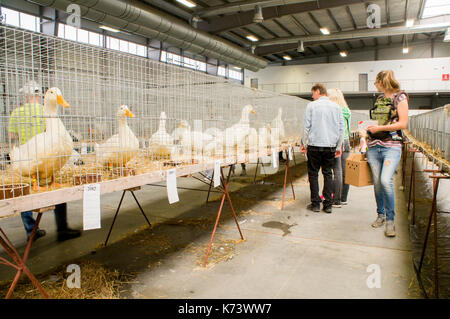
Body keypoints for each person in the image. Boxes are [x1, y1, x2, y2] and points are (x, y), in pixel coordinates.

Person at [8, 81, 81, 242]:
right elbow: (52, 132)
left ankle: (31, 231)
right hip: (48, 152)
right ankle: (62, 227)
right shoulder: (44, 110)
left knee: (26, 195)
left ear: (25, 96)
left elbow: (13, 137)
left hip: (29, 155)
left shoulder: (16, 113)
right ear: (39, 95)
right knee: (55, 187)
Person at [366, 70, 409, 237]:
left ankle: (390, 220)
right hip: (373, 146)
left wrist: (380, 128)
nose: (375, 85)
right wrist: (368, 130)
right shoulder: (379, 99)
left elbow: (403, 123)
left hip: (391, 146)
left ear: (382, 81)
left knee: (385, 181)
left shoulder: (400, 98)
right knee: (377, 183)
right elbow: (377, 122)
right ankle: (381, 215)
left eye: (376, 82)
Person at [301, 83, 344, 214]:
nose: (312, 96)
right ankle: (328, 205)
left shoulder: (311, 106)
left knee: (313, 174)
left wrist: (303, 143)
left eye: (313, 93)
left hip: (314, 146)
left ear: (318, 91)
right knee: (328, 173)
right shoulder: (336, 107)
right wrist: (338, 145)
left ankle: (315, 204)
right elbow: (341, 129)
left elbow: (306, 127)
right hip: (330, 146)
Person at [327, 88, 351, 208]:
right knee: (345, 172)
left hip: (338, 141)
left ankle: (335, 200)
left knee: (337, 171)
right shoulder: (346, 110)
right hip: (346, 141)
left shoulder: (335, 110)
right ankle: (343, 198)